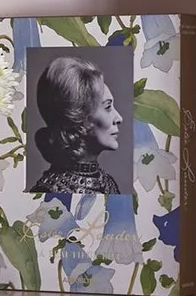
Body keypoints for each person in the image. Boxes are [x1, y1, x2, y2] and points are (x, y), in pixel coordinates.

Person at [31, 50, 128, 196]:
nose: (119, 118)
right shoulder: (48, 191)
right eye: (108, 107)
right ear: (82, 118)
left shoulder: (109, 183)